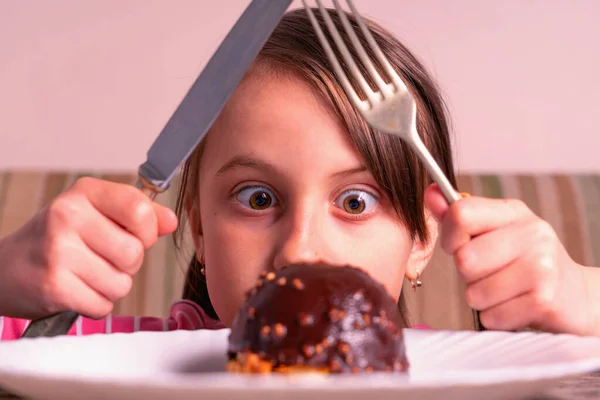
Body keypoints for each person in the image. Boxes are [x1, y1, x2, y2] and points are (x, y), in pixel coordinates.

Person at [0, 8, 599, 341]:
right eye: (257, 197)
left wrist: (584, 299)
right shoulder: (117, 358)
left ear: (422, 240)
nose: (300, 248)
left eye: (356, 202)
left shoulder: (478, 373)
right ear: (200, 231)